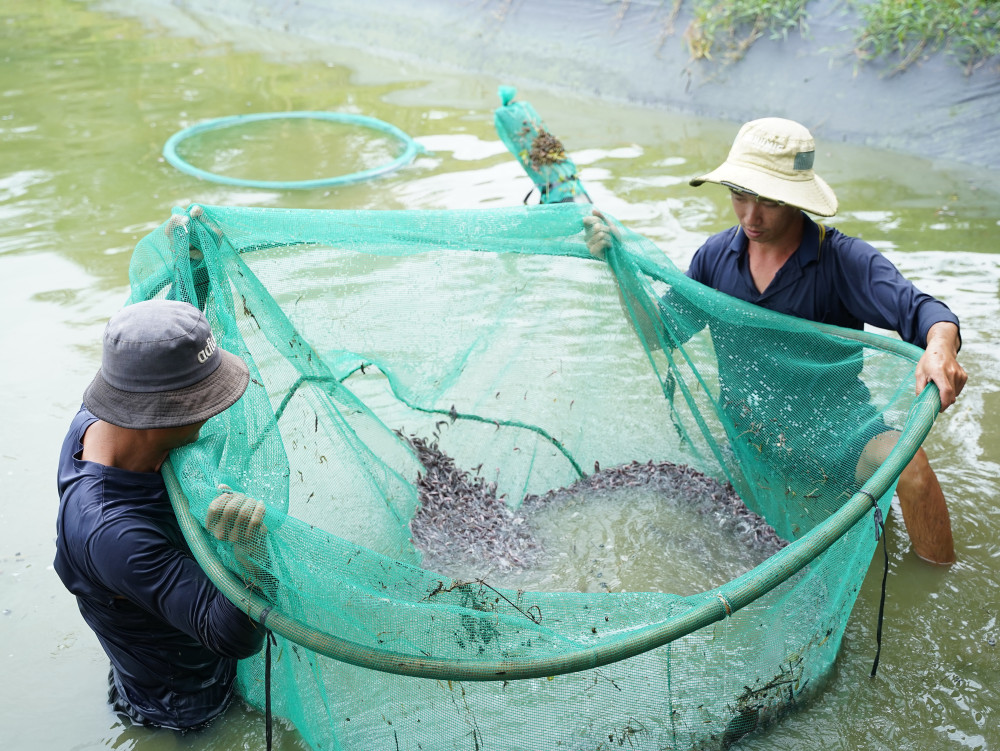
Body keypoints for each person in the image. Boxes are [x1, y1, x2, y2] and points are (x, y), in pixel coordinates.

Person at [584, 117, 966, 565]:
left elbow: (924, 312)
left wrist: (940, 347)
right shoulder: (714, 257)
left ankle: (937, 577)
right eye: (739, 196)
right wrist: (620, 270)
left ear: (795, 199)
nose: (750, 217)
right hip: (752, 440)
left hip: (837, 439)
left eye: (767, 201)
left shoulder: (839, 259)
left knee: (913, 470)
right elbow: (660, 334)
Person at [54, 298, 271, 730]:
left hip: (154, 625)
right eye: (204, 401)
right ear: (156, 415)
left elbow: (158, 341)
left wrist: (196, 267)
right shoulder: (113, 532)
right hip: (185, 702)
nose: (217, 411)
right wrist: (252, 559)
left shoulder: (102, 418)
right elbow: (230, 636)